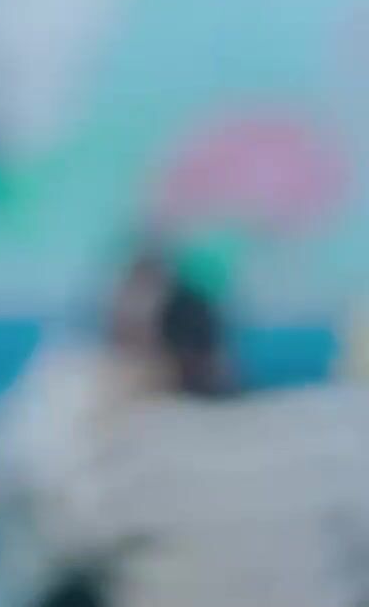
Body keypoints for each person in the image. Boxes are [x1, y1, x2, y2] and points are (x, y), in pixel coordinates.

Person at [28, 255, 369, 607]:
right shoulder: (324, 436)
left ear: (159, 355)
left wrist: (106, 416)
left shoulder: (132, 457)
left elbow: (59, 548)